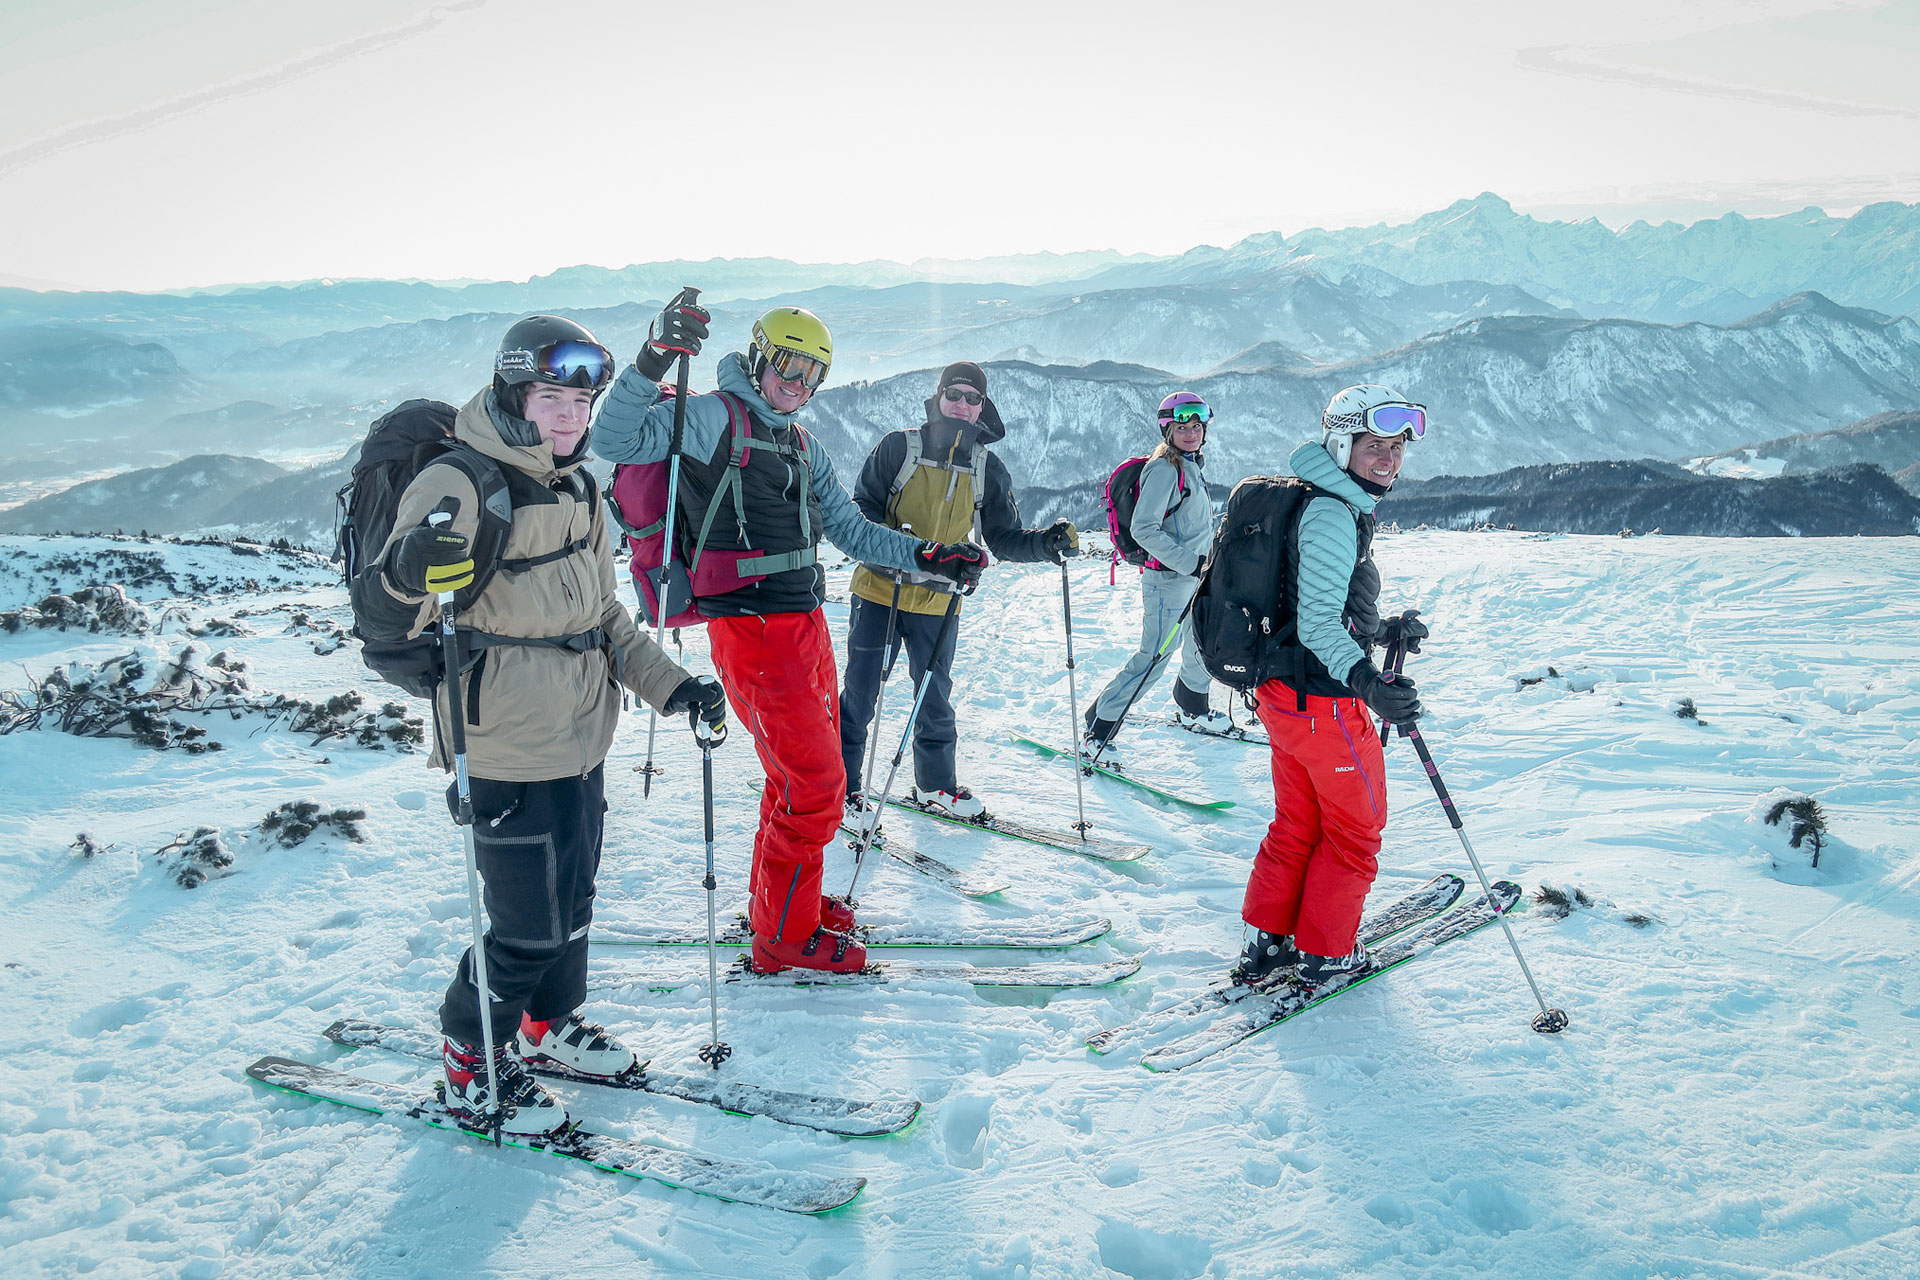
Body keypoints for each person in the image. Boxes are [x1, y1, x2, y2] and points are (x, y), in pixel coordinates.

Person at [355, 315, 730, 1137]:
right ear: (514, 392)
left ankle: (545, 1028)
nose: (570, 416)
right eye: (552, 396)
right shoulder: (463, 483)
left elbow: (606, 621)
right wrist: (407, 571)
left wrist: (677, 691)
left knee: (575, 904)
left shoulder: (580, 488)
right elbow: (392, 604)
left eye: (581, 400)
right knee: (527, 926)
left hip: (579, 738)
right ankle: (470, 1059)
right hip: (503, 745)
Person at [593, 299, 987, 974]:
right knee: (815, 783)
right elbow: (617, 440)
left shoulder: (802, 443)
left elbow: (852, 530)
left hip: (803, 625)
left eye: (816, 374)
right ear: (759, 356)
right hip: (751, 631)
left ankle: (781, 906)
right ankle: (783, 941)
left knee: (794, 778)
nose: (801, 385)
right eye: (791, 366)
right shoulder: (714, 415)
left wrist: (928, 555)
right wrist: (655, 356)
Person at [1231, 384, 1429, 989]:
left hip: (1284, 696)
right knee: (1355, 831)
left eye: (1397, 447)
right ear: (1341, 444)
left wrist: (1377, 628)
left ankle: (1267, 941)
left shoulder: (1318, 498)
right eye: (1375, 446)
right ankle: (1327, 951)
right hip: (1323, 706)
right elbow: (1318, 625)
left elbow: (1309, 605)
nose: (1389, 459)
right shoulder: (1332, 514)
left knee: (1299, 823)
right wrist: (1368, 680)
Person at [840, 361, 1076, 820]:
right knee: (860, 695)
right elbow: (862, 512)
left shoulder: (987, 466)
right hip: (878, 593)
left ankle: (935, 786)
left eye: (973, 398)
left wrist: (1045, 544)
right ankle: (843, 786)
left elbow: (1004, 538)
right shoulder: (899, 447)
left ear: (983, 407)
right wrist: (908, 549)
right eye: (955, 394)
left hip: (938, 601)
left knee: (934, 698)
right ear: (939, 396)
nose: (963, 405)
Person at [1082, 391, 1227, 763]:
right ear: (1168, 429)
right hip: (1168, 580)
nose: (1192, 432)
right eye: (1183, 427)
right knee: (1153, 657)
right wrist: (1189, 562)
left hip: (1195, 576)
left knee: (1200, 642)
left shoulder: (1190, 464)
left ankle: (1192, 704)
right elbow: (1144, 529)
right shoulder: (1165, 469)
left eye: (1197, 426)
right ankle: (1099, 725)